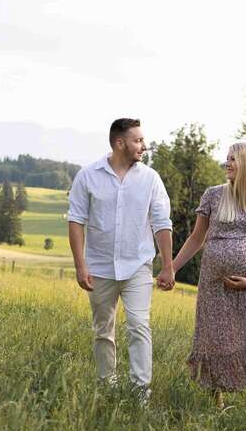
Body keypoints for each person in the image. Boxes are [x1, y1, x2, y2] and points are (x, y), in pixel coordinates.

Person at [67, 118, 174, 401]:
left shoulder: (150, 179)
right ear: (119, 143)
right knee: (103, 330)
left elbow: (162, 223)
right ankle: (107, 387)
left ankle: (141, 394)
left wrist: (168, 265)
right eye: (138, 140)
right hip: (99, 267)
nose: (144, 145)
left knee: (139, 325)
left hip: (137, 265)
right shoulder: (87, 176)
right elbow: (76, 220)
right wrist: (80, 265)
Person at [172, 141, 246, 411]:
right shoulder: (214, 195)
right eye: (227, 158)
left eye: (233, 159)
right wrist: (171, 268)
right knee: (214, 340)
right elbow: (197, 238)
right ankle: (217, 403)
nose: (227, 164)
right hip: (213, 283)